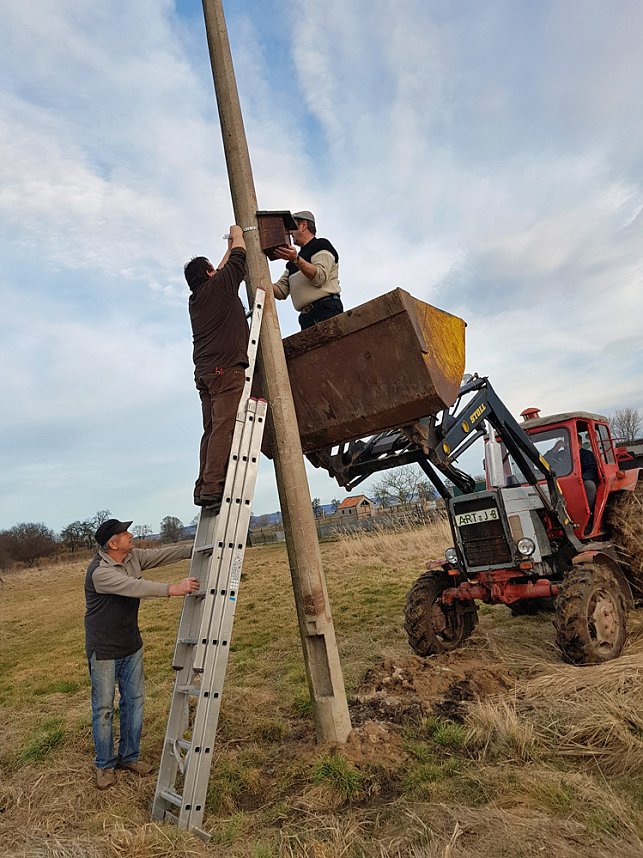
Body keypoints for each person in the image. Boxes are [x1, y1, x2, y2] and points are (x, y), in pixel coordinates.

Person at [84, 518, 199, 790]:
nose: (130, 535)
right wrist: (173, 589)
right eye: (124, 533)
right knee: (103, 709)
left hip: (131, 644)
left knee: (134, 702)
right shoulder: (100, 572)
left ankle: (129, 757)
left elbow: (161, 554)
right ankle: (104, 765)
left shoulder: (133, 557)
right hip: (104, 650)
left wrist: (195, 548)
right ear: (113, 543)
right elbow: (134, 588)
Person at [184, 226, 249, 511]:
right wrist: (238, 234)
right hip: (225, 370)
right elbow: (237, 260)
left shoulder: (197, 298)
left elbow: (221, 270)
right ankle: (213, 487)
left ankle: (203, 487)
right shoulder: (220, 287)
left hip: (206, 373)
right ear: (210, 273)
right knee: (224, 428)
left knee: (211, 429)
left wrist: (227, 249)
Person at [272, 210, 343, 330]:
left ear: (303, 225)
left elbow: (320, 278)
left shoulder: (321, 245)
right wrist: (258, 279)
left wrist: (296, 259)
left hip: (326, 309)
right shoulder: (292, 262)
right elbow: (280, 291)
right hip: (306, 317)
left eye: (292, 227)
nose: (289, 232)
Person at [578, 434, 599, 511]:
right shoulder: (561, 454)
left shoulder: (586, 454)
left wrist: (581, 479)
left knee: (589, 486)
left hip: (580, 480)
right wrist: (555, 449)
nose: (567, 444)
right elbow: (544, 461)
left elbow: (592, 470)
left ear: (579, 443)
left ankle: (589, 512)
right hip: (559, 480)